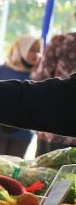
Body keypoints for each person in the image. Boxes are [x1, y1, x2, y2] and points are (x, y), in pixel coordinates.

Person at [0, 35, 41, 156]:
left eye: (38, 50)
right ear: (20, 50)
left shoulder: (39, 76)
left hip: (22, 136)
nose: (36, 54)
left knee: (10, 173)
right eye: (32, 50)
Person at [30, 24, 76, 154]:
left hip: (56, 128)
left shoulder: (62, 42)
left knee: (45, 174)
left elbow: (40, 79)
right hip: (57, 130)